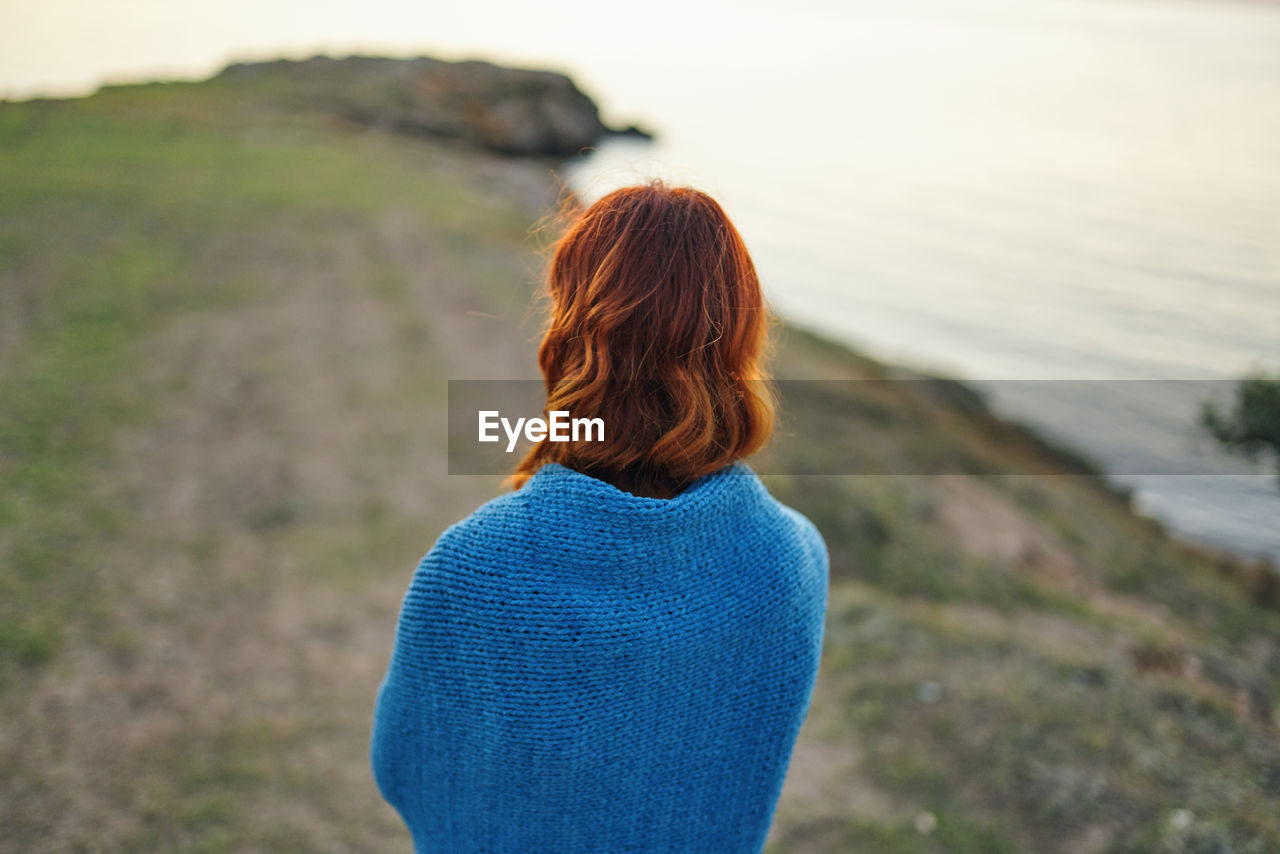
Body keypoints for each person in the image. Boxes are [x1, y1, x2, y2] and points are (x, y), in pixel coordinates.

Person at [370, 181, 828, 853]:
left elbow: (407, 769)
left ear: (573, 335)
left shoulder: (474, 567)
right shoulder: (797, 559)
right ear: (738, 342)